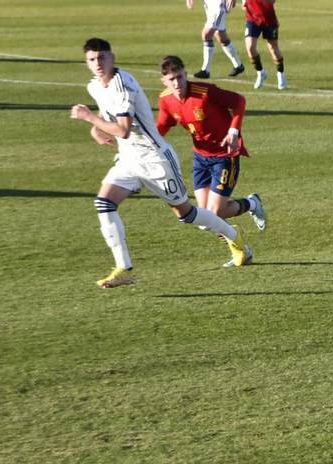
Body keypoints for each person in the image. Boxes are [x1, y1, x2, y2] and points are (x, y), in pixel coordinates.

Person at [71, 38, 250, 289]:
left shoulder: (124, 84)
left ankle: (235, 236)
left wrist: (89, 118)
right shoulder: (96, 86)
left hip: (155, 159)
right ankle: (123, 268)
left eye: (102, 58)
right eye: (92, 59)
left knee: (187, 215)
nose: (97, 64)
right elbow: (107, 108)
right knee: (104, 202)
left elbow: (122, 130)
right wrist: (96, 126)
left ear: (112, 58)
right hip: (129, 159)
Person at [156, 56, 267, 238]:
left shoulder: (205, 92)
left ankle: (243, 244)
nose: (177, 83)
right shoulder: (165, 100)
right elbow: (162, 125)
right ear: (164, 81)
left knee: (214, 215)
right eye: (171, 79)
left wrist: (233, 132)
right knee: (205, 218)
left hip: (224, 155)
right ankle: (252, 204)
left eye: (179, 77)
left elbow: (239, 101)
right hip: (200, 157)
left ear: (185, 75)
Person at [186, 0, 245, 79]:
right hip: (210, 4)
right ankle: (238, 65)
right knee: (221, 36)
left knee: (206, 34)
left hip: (220, 5)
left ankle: (205, 70)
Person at [242, 0, 288, 89]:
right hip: (252, 19)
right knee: (250, 47)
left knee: (273, 48)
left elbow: (272, 1)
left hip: (269, 20)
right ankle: (260, 72)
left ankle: (281, 74)